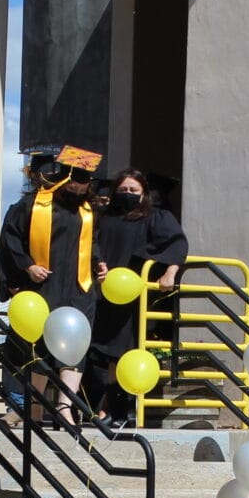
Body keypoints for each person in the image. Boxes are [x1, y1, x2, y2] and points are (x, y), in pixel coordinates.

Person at [0, 145, 102, 423]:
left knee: (76, 345)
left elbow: (93, 244)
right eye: (77, 178)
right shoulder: (33, 205)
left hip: (79, 288)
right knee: (41, 346)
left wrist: (99, 264)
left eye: (86, 180)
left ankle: (66, 406)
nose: (81, 185)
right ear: (63, 175)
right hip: (45, 287)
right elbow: (10, 239)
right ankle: (35, 406)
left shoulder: (88, 211)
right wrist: (28, 266)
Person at [90, 169, 188, 426]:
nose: (128, 194)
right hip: (108, 295)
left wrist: (171, 270)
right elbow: (93, 246)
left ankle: (123, 410)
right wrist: (98, 264)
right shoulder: (104, 219)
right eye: (123, 190)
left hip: (138, 296)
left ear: (144, 193)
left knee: (129, 352)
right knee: (110, 355)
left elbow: (177, 244)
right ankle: (112, 410)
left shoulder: (156, 217)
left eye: (134, 190)